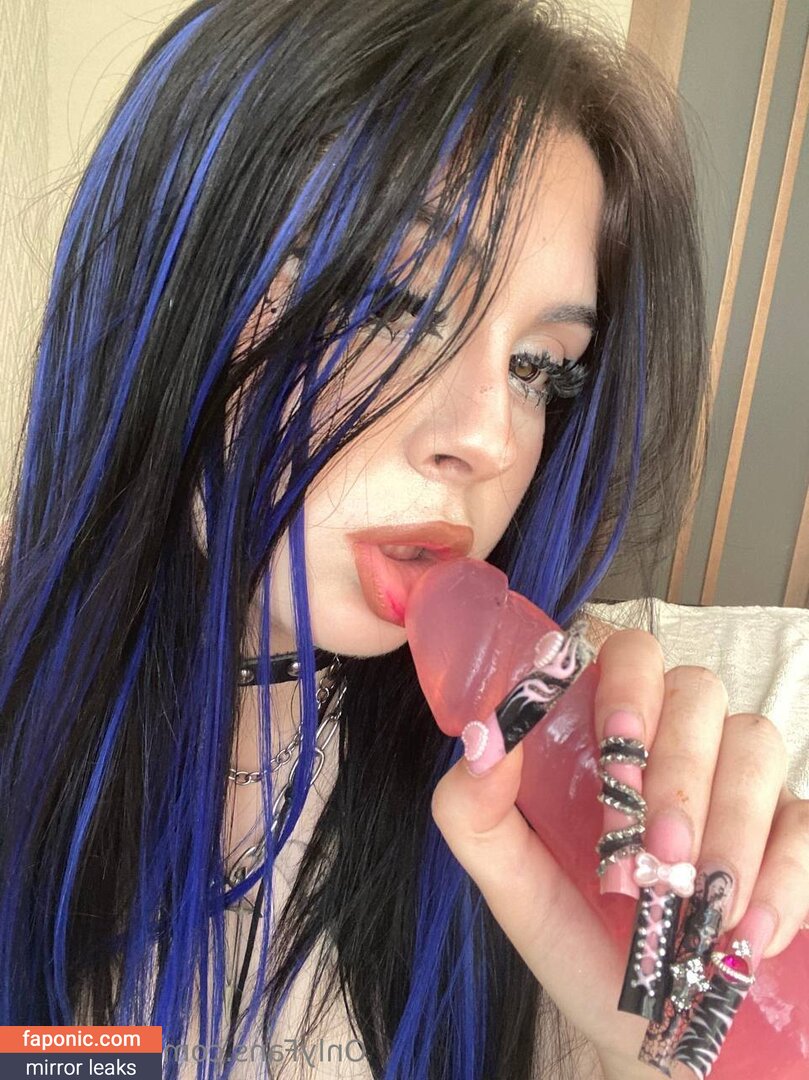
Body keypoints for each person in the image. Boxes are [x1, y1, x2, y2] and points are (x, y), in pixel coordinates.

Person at [1, 1, 806, 1078]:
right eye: (387, 305)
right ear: (168, 283)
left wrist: (702, 1056)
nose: (488, 437)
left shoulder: (622, 768)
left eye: (540, 367)